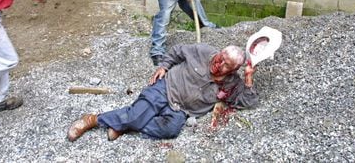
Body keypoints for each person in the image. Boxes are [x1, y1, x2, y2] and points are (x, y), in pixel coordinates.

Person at [67, 43, 258, 142]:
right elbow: (176, 51)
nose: (219, 63)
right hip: (165, 88)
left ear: (233, 70)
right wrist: (164, 67)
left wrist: (249, 78)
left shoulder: (232, 83)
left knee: (171, 130)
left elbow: (247, 102)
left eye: (226, 65)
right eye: (220, 57)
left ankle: (125, 125)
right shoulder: (202, 51)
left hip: (181, 110)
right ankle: (92, 119)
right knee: (136, 113)